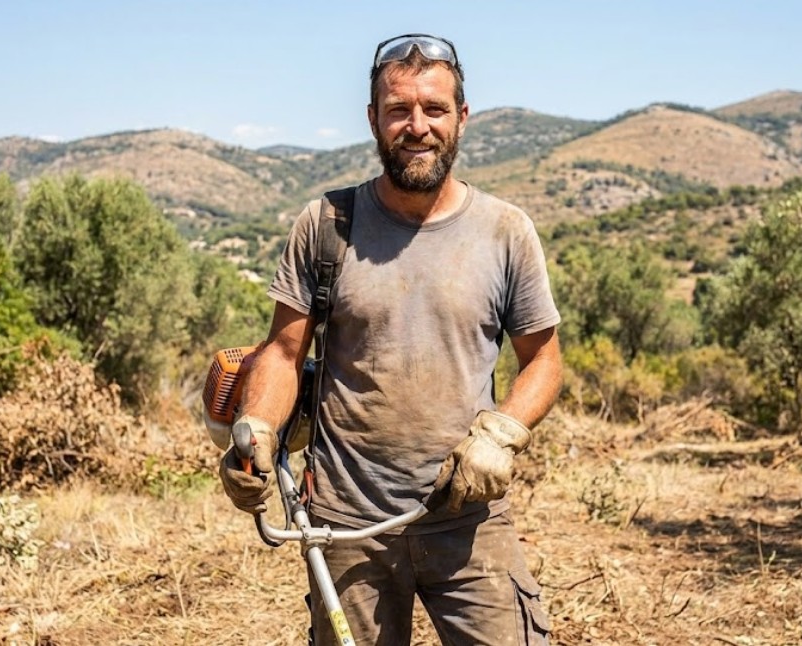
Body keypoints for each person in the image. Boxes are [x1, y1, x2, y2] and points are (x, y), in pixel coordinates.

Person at [218, 33, 562, 645]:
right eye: (399, 110)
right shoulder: (326, 224)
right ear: (374, 119)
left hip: (468, 517)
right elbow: (283, 352)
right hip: (348, 524)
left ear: (461, 117)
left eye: (433, 109)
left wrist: (502, 434)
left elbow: (543, 362)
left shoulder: (506, 231)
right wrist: (260, 429)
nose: (417, 126)